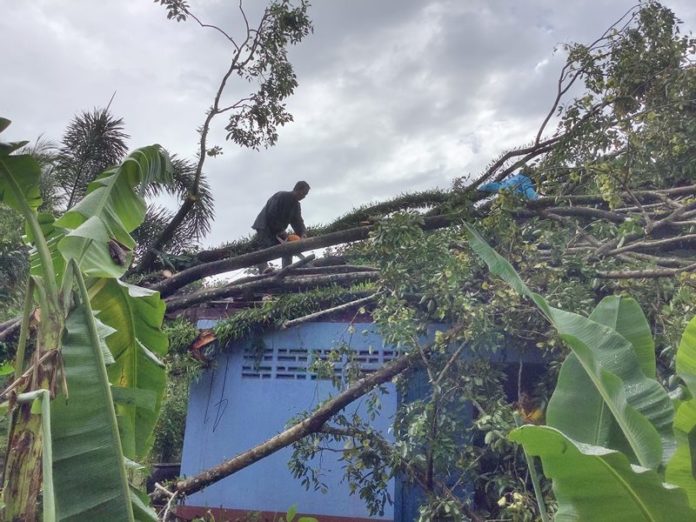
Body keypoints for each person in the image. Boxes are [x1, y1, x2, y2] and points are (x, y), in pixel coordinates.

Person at [252, 181, 310, 269]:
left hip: (278, 230)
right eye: (304, 193)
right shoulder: (281, 196)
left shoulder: (296, 206)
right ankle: (264, 269)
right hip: (264, 225)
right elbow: (271, 214)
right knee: (264, 247)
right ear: (298, 190)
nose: (304, 197)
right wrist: (280, 230)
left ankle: (287, 269)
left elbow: (298, 222)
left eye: (306, 195)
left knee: (288, 248)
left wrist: (303, 233)